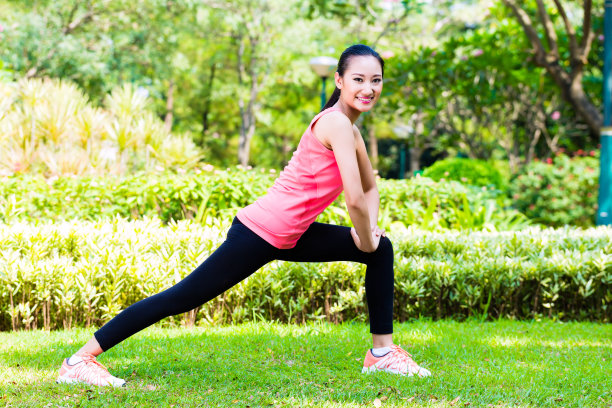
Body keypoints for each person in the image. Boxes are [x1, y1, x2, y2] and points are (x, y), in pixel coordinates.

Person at [56, 44, 431, 387]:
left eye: (376, 80)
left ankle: (381, 354)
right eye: (359, 79)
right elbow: (353, 198)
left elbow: (369, 188)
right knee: (182, 298)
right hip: (261, 232)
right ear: (339, 80)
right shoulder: (334, 122)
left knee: (381, 250)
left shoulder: (351, 130)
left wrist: (371, 234)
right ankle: (79, 360)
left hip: (293, 233)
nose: (368, 88)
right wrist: (364, 237)